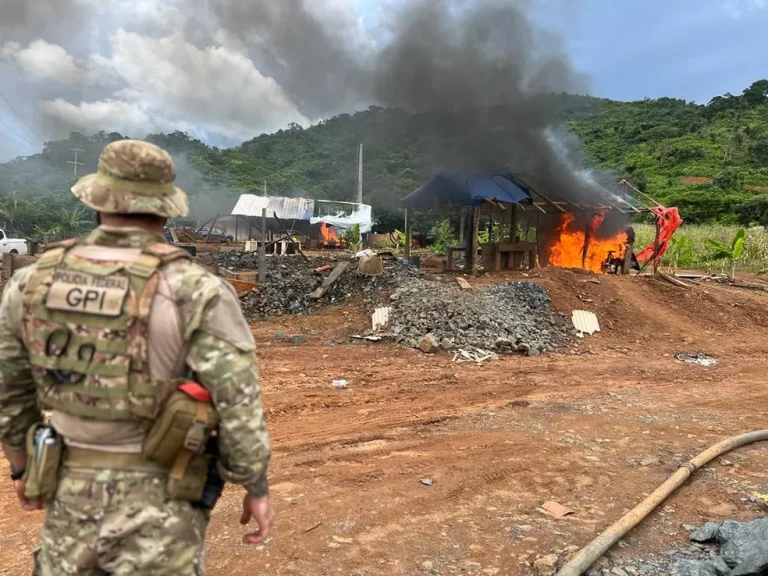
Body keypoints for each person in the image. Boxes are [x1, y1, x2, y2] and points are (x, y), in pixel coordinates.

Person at [0, 139, 272, 575]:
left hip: (70, 495)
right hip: (164, 505)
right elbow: (238, 404)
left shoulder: (31, 284)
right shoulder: (198, 291)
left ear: (96, 200)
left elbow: (10, 394)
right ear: (165, 208)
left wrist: (20, 469)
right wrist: (253, 484)